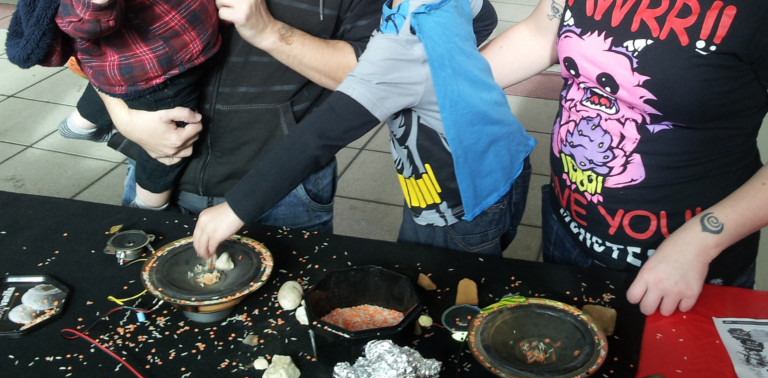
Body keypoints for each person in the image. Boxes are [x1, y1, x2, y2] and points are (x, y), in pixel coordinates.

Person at [479, 0, 768, 316]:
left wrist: (700, 243)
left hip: (680, 263)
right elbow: (539, 34)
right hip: (568, 229)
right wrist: (447, 86)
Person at [191, 0, 535, 259]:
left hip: (463, 198)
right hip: (500, 163)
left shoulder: (398, 52)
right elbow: (484, 16)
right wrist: (449, 73)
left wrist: (235, 208)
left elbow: (319, 137)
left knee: (441, 285)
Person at [96, 0, 385, 232]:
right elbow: (91, 36)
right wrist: (123, 118)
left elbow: (375, 74)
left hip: (286, 185)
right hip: (152, 164)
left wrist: (269, 31)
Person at [52, 0, 222, 210]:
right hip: (159, 61)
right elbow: (83, 20)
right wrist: (124, 120)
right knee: (172, 137)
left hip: (144, 54)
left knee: (119, 85)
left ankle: (80, 123)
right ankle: (147, 205)